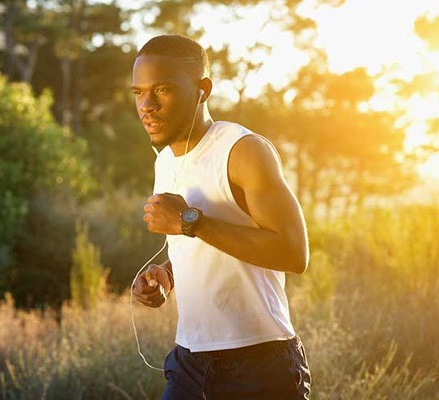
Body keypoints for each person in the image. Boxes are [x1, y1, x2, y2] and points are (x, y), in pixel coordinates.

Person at [130, 34, 312, 400]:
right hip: (189, 361)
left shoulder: (243, 151)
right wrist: (166, 275)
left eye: (162, 89)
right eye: (138, 92)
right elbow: (198, 246)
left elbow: (294, 253)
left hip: (260, 364)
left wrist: (188, 223)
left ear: (202, 90)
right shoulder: (164, 160)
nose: (146, 105)